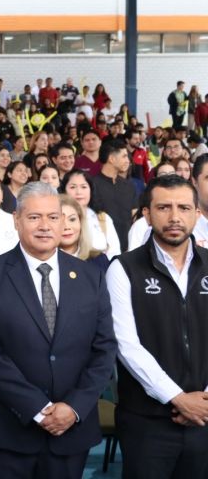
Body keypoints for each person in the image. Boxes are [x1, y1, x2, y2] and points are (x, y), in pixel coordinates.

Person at [0, 182, 117, 479]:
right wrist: (37, 408)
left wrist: (73, 408)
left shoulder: (91, 277)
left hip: (71, 430)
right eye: (34, 217)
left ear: (63, 221)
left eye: (53, 216)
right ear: (17, 220)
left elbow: (104, 349)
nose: (45, 226)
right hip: (8, 432)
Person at [107, 175, 208, 478]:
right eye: (164, 207)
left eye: (184, 208)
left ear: (197, 214)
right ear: (147, 215)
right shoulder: (122, 268)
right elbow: (126, 345)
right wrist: (177, 398)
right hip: (147, 421)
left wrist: (202, 401)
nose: (175, 217)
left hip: (205, 416)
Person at [61, 169, 121, 259]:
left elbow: (114, 252)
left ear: (91, 190)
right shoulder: (55, 218)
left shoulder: (103, 218)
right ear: (64, 190)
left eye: (84, 187)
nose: (79, 192)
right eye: (73, 187)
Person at [92, 138, 137, 251]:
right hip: (101, 250)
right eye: (124, 156)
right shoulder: (91, 185)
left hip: (128, 249)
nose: (128, 160)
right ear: (111, 159)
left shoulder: (129, 186)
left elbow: (134, 217)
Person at [58, 194, 111, 272]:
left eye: (72, 219)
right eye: (60, 221)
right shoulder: (44, 263)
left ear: (81, 222)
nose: (67, 227)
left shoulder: (99, 260)